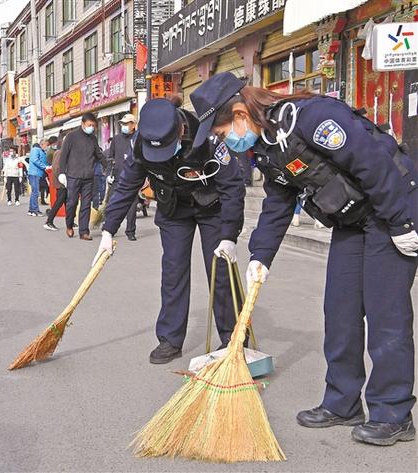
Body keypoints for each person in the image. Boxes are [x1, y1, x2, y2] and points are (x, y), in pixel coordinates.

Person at [192, 71, 418, 446]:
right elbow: (277, 203)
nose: (226, 141)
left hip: (392, 208)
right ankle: (343, 402)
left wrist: (401, 222)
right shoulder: (268, 148)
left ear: (239, 114)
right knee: (340, 312)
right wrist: (260, 256)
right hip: (353, 220)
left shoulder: (311, 117)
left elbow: (373, 162)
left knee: (386, 314)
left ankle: (392, 412)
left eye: (221, 132)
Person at [94, 97, 245, 364]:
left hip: (211, 207)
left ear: (180, 130)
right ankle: (170, 339)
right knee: (173, 272)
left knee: (220, 270)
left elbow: (232, 186)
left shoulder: (207, 138)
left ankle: (233, 338)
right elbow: (127, 185)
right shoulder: (141, 143)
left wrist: (229, 235)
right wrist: (108, 229)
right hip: (173, 209)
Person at [58, 112, 105, 240]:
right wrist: (62, 172)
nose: (91, 128)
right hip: (73, 176)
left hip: (88, 177)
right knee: (72, 203)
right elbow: (63, 155)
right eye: (89, 125)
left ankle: (84, 231)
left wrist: (108, 167)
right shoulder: (71, 137)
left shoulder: (93, 139)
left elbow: (98, 155)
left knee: (86, 205)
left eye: (93, 126)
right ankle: (69, 225)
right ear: (83, 124)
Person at [107, 113, 139, 241]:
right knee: (113, 204)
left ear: (133, 125)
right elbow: (110, 157)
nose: (123, 126)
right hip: (117, 176)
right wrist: (108, 174)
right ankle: (110, 228)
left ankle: (130, 231)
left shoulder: (138, 138)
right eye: (122, 124)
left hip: (133, 177)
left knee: (132, 206)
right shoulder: (116, 139)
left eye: (126, 124)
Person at [44, 134, 66, 231]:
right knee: (59, 202)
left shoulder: (63, 152)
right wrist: (62, 179)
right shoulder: (60, 153)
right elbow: (56, 168)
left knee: (67, 202)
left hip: (63, 182)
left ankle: (70, 221)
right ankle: (49, 221)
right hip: (61, 182)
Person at [27, 141, 48, 217]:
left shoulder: (41, 151)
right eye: (46, 145)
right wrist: (45, 167)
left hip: (37, 173)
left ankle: (31, 210)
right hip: (34, 173)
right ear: (42, 144)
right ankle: (35, 210)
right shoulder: (36, 149)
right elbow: (35, 160)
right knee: (35, 192)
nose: (47, 147)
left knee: (34, 192)